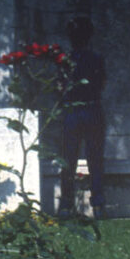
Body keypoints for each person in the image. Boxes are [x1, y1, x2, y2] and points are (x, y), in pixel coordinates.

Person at [51, 14, 107, 224]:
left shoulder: (65, 60)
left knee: (68, 160)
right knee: (95, 160)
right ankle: (99, 204)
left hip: (72, 112)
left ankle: (66, 204)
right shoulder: (96, 59)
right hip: (92, 110)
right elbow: (102, 83)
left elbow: (59, 87)